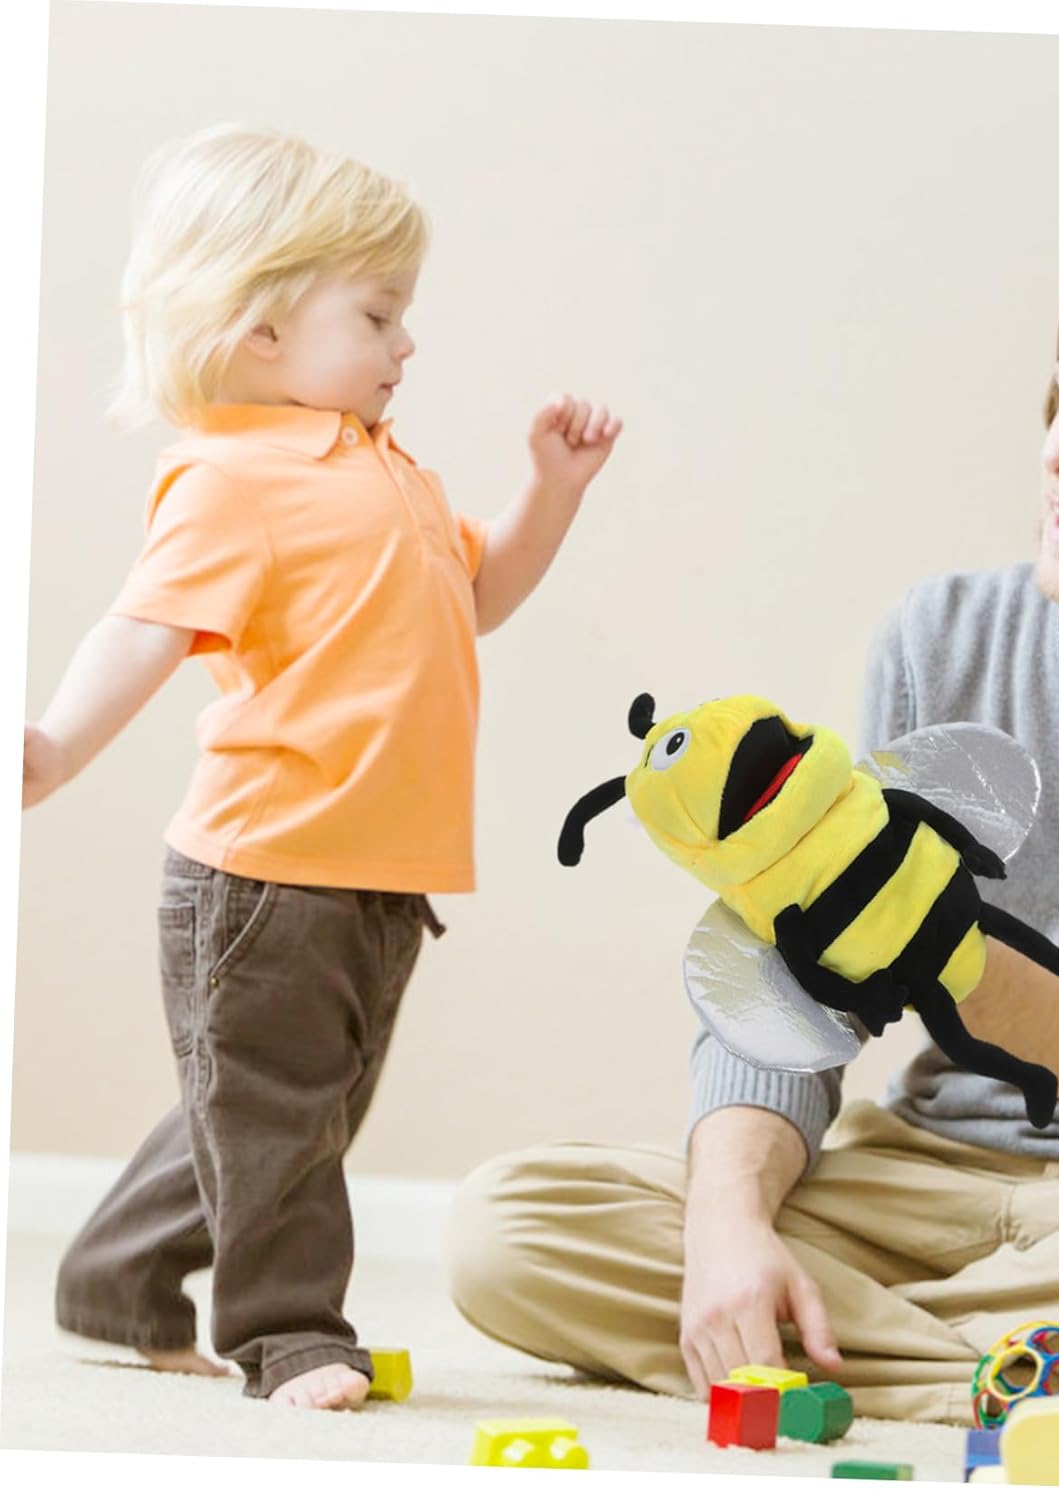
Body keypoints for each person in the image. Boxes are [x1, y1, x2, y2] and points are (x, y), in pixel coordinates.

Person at [443, 236, 1059, 1429]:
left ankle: (848, 1355)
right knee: (509, 1227)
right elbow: (800, 990)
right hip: (921, 1179)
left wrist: (933, 942)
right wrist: (726, 1224)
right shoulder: (946, 637)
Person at [23, 123, 622, 1410]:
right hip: (268, 870)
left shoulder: (384, 469)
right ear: (261, 332)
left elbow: (477, 598)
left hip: (381, 869)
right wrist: (56, 745)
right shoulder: (232, 480)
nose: (408, 344)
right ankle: (290, 1335)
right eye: (379, 315)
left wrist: (552, 491)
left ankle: (117, 1277)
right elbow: (143, 625)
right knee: (280, 1114)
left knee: (288, 1109)